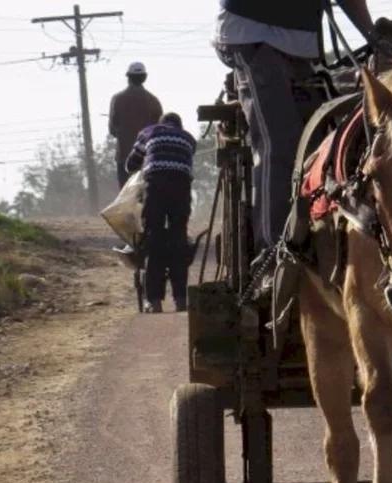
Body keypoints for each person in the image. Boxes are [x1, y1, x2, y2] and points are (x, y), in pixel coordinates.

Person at [211, 0, 375, 260]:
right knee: (279, 145)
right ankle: (271, 254)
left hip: (300, 46)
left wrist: (377, 39)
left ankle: (320, 237)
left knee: (320, 145)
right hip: (254, 36)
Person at [125, 113, 197, 314]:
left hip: (155, 185)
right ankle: (181, 299)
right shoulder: (189, 138)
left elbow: (131, 164)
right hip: (181, 187)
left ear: (161, 123)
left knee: (153, 240)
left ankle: (154, 301)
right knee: (178, 240)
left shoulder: (149, 132)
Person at [108, 62, 163, 190]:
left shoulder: (117, 99)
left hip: (124, 158)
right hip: (148, 158)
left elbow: (112, 129)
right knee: (146, 195)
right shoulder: (154, 101)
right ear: (144, 77)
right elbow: (160, 130)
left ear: (128, 77)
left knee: (125, 196)